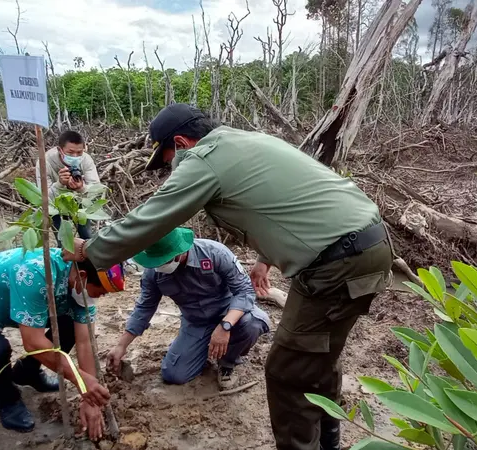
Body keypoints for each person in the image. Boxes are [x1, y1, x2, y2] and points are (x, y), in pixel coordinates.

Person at [64, 103, 393, 450]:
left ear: (182, 142)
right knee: (317, 359)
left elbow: (152, 218)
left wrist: (89, 251)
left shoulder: (204, 158)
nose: (171, 168)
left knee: (287, 372)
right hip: (369, 245)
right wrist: (266, 259)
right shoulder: (249, 142)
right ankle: (330, 444)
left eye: (168, 159)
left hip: (337, 262)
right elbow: (293, 201)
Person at [0, 246, 126, 439]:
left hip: (15, 303)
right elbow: (33, 343)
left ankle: (27, 373)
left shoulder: (80, 289)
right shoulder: (36, 273)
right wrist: (80, 379)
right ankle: (6, 398)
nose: (100, 297)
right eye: (100, 292)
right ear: (82, 276)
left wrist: (90, 398)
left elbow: (85, 342)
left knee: (70, 325)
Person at [107, 227, 270, 390]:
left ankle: (228, 363)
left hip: (230, 314)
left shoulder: (214, 253)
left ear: (179, 253)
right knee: (174, 375)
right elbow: (144, 308)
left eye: (163, 261)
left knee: (252, 324)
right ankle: (200, 348)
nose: (158, 266)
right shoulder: (153, 273)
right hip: (196, 323)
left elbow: (245, 292)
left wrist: (225, 326)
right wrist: (121, 346)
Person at [36, 130, 101, 240]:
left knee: (87, 237)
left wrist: (82, 188)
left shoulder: (86, 160)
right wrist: (60, 184)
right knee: (63, 241)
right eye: (70, 153)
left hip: (78, 200)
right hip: (55, 204)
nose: (75, 156)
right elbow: (44, 199)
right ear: (59, 150)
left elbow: (97, 190)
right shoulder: (44, 162)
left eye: (79, 152)